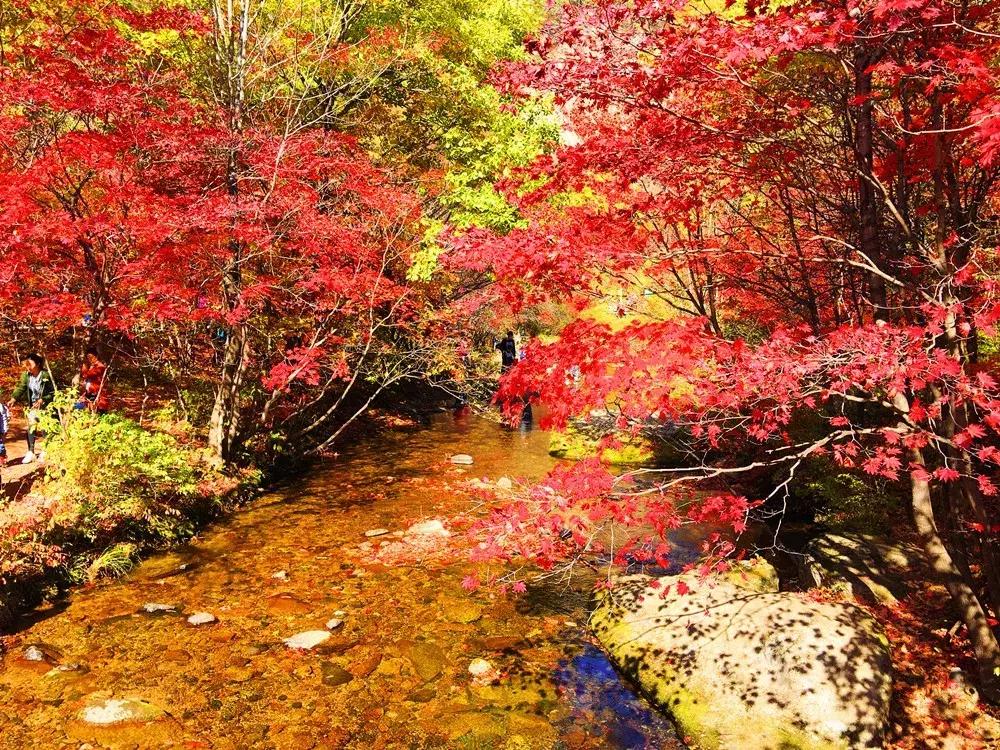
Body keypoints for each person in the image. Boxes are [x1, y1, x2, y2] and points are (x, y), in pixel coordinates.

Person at [8, 353, 55, 464]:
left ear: (37, 364)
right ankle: (31, 452)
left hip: (45, 406)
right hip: (33, 405)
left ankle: (46, 451)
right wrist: (14, 399)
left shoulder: (45, 375)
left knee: (45, 428)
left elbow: (53, 392)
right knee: (31, 427)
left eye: (30, 364)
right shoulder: (26, 375)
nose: (28, 366)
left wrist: (43, 399)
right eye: (26, 364)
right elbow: (21, 387)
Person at [75, 347, 109, 413]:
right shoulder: (92, 366)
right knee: (77, 406)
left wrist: (84, 366)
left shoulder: (100, 366)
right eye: (88, 357)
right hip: (88, 392)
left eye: (91, 357)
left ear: (96, 356)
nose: (89, 359)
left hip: (95, 393)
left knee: (96, 410)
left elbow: (87, 375)